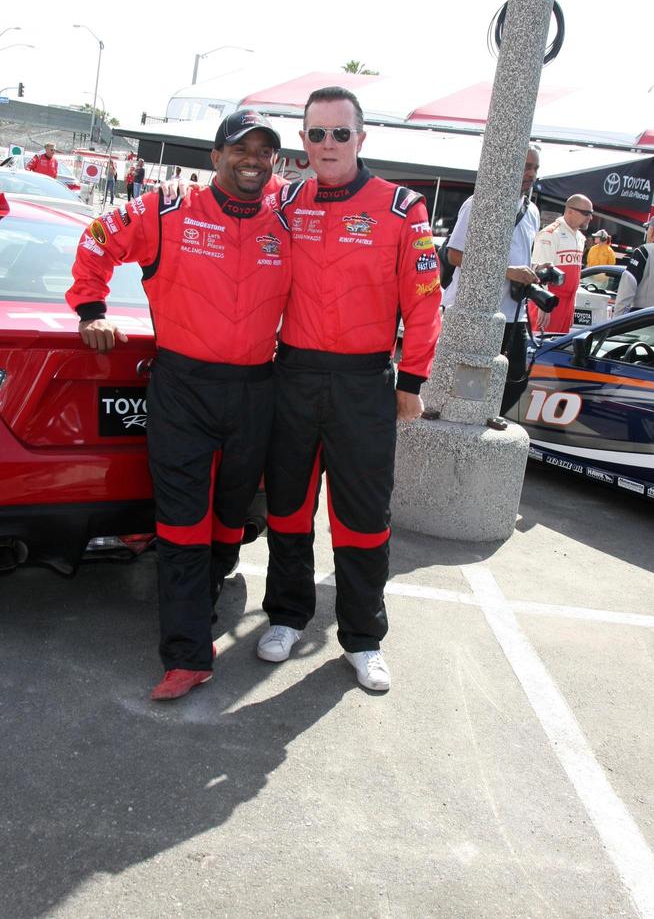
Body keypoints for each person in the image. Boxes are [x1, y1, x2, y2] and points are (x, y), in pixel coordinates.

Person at [66, 109, 291, 701]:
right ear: (215, 157)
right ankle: (186, 654)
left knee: (231, 517)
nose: (252, 160)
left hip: (256, 390)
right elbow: (95, 240)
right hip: (183, 388)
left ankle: (205, 599)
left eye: (263, 152)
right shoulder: (167, 208)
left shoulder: (286, 218)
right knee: (184, 520)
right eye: (240, 150)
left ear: (274, 161)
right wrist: (92, 310)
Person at [258, 86, 442, 692]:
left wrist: (412, 379)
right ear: (304, 141)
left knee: (363, 518)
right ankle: (285, 614)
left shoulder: (401, 207)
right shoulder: (281, 202)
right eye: (316, 134)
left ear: (361, 138)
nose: (328, 144)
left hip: (365, 382)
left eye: (340, 133)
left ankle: (363, 638)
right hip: (293, 376)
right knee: (287, 508)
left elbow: (424, 301)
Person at [447, 148, 541, 415]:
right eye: (526, 167)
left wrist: (534, 271)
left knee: (516, 378)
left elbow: (523, 254)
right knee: (463, 377)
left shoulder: (532, 211)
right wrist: (508, 271)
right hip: (474, 309)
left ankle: (488, 417)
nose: (531, 174)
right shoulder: (479, 202)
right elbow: (455, 255)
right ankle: (464, 422)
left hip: (514, 312)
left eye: (535, 168)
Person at [530, 193, 592, 334]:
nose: (590, 217)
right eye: (586, 213)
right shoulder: (551, 233)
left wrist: (573, 304)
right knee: (541, 348)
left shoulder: (580, 237)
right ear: (570, 211)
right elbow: (539, 272)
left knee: (558, 346)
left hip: (567, 304)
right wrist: (543, 305)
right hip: (550, 301)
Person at [613, 217, 654, 315]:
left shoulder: (644, 252)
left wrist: (615, 322)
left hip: (642, 320)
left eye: (647, 228)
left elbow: (626, 291)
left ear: (652, 231)